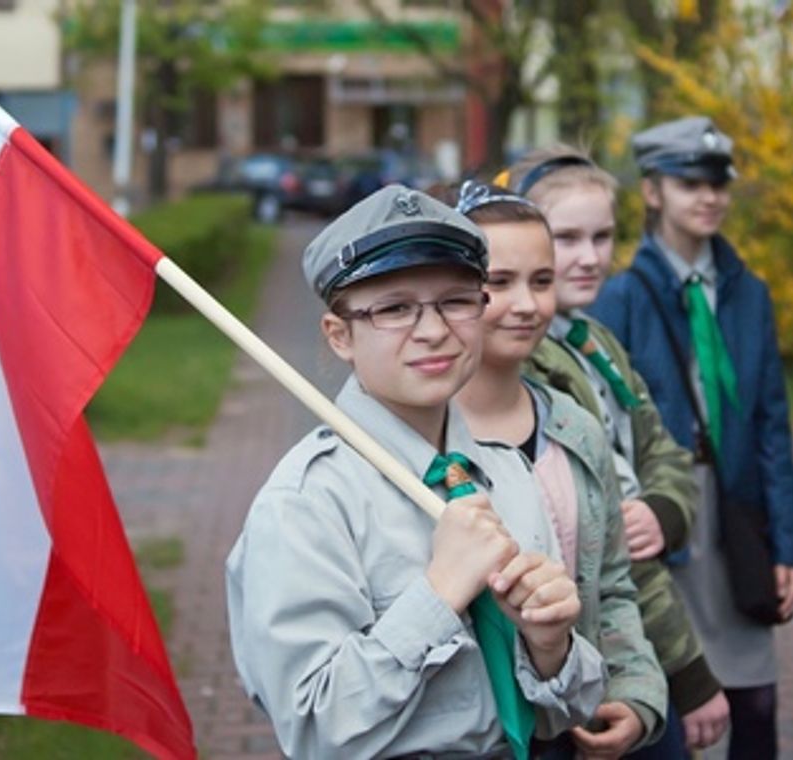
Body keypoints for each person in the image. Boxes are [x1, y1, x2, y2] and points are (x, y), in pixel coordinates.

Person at [226, 185, 607, 759]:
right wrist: (439, 593)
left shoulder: (505, 471)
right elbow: (312, 728)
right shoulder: (308, 502)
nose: (433, 331)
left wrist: (551, 647)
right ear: (340, 335)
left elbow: (564, 713)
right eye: (395, 308)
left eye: (456, 301)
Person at [588, 116, 793, 759]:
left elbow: (771, 421)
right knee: (674, 698)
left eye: (718, 183)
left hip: (735, 513)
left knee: (757, 698)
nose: (709, 197)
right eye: (690, 183)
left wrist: (786, 541)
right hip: (666, 513)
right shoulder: (619, 296)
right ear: (653, 192)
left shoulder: (749, 293)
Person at [503, 146, 730, 757]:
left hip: (633, 637)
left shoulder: (594, 338)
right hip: (598, 644)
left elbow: (664, 449)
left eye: (602, 237)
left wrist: (664, 508)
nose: (590, 257)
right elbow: (616, 547)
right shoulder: (527, 363)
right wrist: (692, 676)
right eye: (567, 238)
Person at [449, 182, 666, 758]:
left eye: (541, 281)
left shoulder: (575, 428)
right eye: (498, 282)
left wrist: (637, 693)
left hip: (574, 729)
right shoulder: (421, 442)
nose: (527, 304)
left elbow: (613, 585)